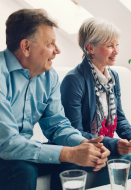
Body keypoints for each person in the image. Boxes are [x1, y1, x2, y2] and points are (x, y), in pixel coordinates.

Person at [0, 9, 110, 190]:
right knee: (22, 169)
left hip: (20, 150)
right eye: (50, 43)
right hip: (5, 150)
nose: (57, 50)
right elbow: (7, 143)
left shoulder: (48, 77)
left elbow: (57, 125)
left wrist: (84, 145)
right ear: (26, 47)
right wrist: (70, 153)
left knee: (77, 162)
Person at [60, 17, 131, 187]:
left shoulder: (113, 77)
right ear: (90, 48)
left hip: (105, 147)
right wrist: (114, 144)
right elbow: (74, 132)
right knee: (127, 158)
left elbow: (120, 119)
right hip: (82, 150)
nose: (116, 51)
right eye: (110, 46)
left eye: (117, 45)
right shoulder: (74, 80)